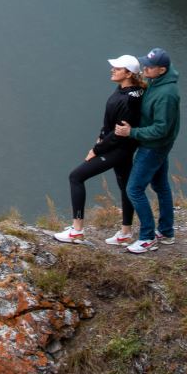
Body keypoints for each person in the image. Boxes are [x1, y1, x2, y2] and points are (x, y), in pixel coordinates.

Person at [52, 56, 145, 245]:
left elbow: (119, 132)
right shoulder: (127, 90)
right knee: (126, 187)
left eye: (117, 68)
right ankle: (125, 233)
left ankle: (77, 230)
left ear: (128, 73)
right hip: (121, 148)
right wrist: (101, 136)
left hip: (118, 150)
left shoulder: (130, 100)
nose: (112, 70)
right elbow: (110, 125)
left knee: (76, 177)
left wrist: (96, 149)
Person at [115, 46, 180, 255]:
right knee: (160, 186)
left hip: (153, 147)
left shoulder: (167, 94)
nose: (144, 68)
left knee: (133, 189)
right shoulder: (156, 82)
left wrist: (132, 133)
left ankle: (147, 237)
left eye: (149, 67)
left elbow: (161, 128)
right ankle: (167, 232)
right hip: (156, 145)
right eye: (144, 64)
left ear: (161, 70)